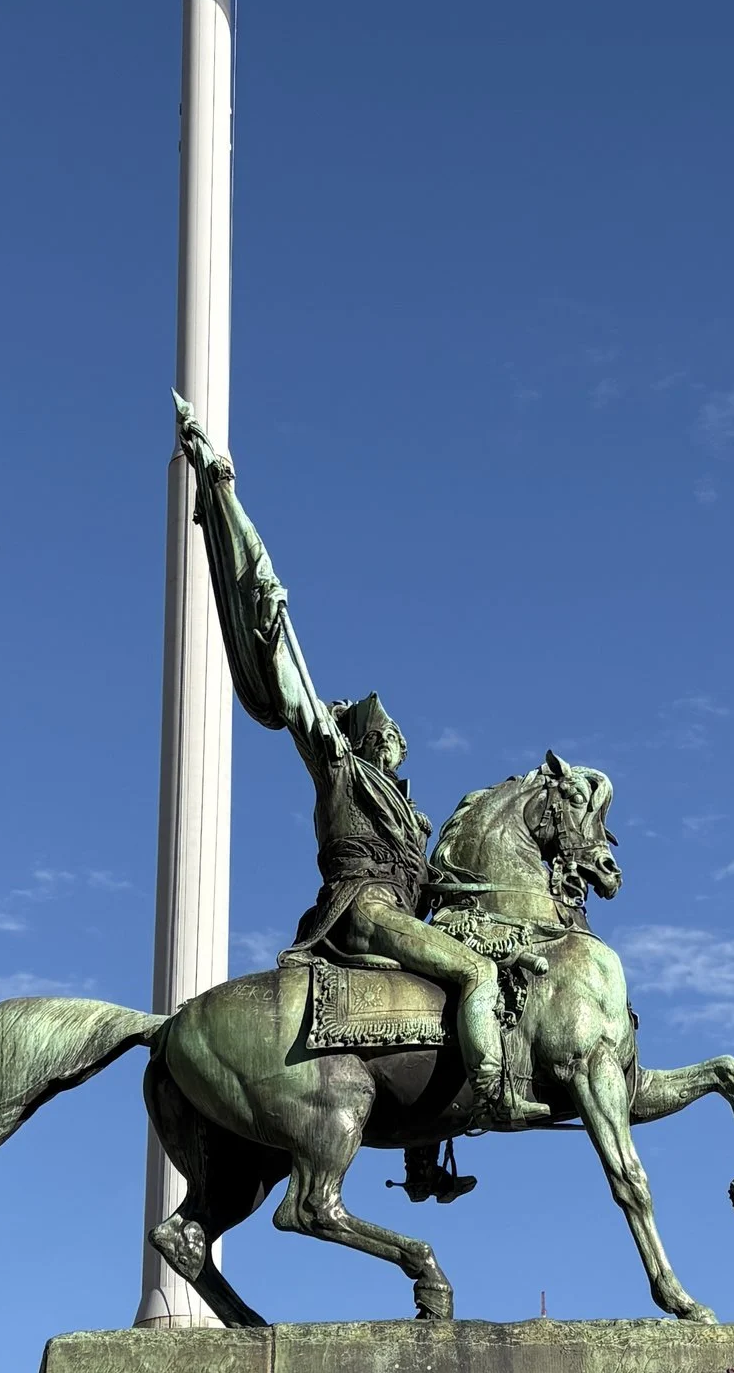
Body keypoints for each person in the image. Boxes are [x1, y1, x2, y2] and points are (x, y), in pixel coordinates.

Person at [175, 399, 507, 1200]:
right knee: (471, 976)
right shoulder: (340, 768)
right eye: (383, 729)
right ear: (359, 736)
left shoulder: (408, 809)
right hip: (360, 914)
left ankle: (427, 1149)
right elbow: (288, 675)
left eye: (394, 734)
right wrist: (224, 492)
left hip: (402, 915)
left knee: (448, 995)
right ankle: (492, 1092)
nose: (395, 739)